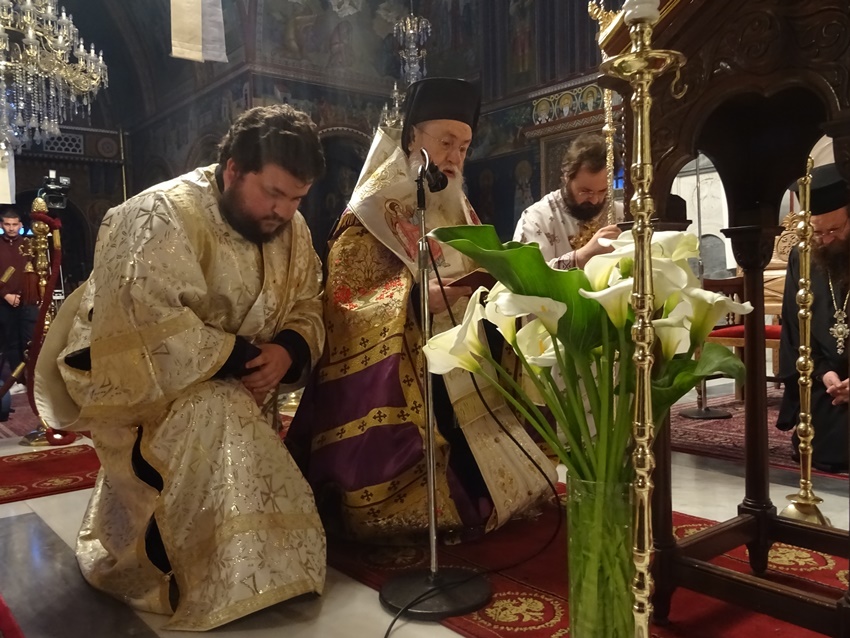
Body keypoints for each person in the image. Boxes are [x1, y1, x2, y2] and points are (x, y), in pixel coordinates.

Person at [34, 105, 328, 631]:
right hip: (150, 391)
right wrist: (240, 358)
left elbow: (307, 302)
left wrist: (287, 349)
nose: (283, 212)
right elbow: (144, 320)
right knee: (217, 407)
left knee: (228, 410)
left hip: (237, 390)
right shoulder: (159, 213)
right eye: (273, 193)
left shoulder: (292, 229)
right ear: (233, 170)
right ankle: (210, 575)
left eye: (297, 199)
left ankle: (259, 567)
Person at [287, 77, 555, 542]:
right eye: (446, 142)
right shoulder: (370, 209)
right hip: (406, 355)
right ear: (413, 137)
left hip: (462, 348)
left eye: (464, 147)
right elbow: (346, 297)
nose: (455, 157)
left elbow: (479, 265)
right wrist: (413, 299)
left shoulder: (457, 204)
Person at [776, 163, 849, 473]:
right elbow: (795, 327)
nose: (826, 240)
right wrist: (822, 372)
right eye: (818, 232)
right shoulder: (802, 255)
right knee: (824, 445)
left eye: (835, 230)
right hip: (829, 380)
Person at [513, 132, 624, 269]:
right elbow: (526, 273)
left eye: (603, 191)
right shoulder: (536, 219)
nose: (595, 200)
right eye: (585, 191)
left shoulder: (621, 214)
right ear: (566, 177)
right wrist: (581, 257)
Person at [0, 208, 39, 381]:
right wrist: (5, 295)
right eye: (7, 224)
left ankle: (33, 377)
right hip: (4, 302)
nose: (11, 228)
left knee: (31, 340)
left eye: (14, 224)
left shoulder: (29, 245)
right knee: (12, 342)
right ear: (1, 225)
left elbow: (37, 272)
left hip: (28, 301)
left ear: (20, 225)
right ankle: (17, 380)